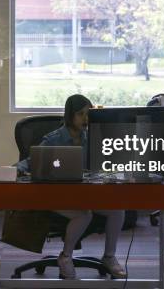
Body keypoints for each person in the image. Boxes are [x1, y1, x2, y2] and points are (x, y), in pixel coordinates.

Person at [16, 94, 127, 280]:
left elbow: (106, 162)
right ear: (70, 115)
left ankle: (109, 257)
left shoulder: (91, 138)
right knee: (84, 214)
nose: (86, 119)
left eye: (88, 114)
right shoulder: (54, 139)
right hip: (55, 197)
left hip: (84, 195)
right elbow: (30, 162)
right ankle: (65, 257)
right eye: (81, 114)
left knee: (117, 209)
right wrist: (12, 171)